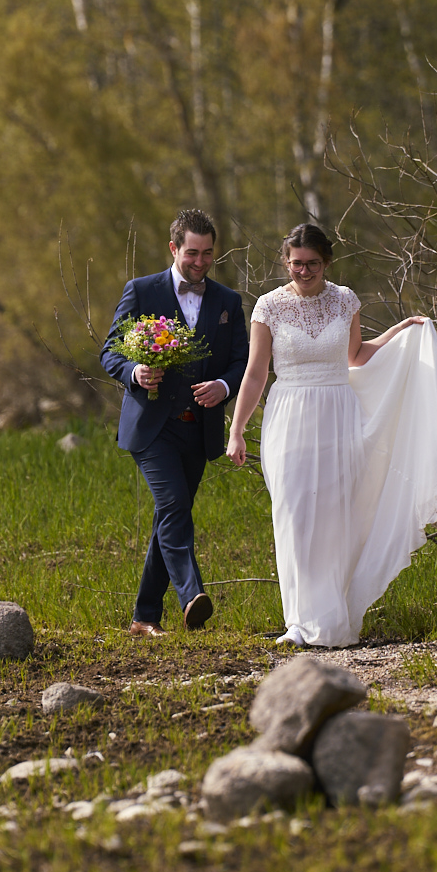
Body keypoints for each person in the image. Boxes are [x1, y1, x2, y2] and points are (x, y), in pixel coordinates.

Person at [226, 223, 437, 648]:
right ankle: (299, 622)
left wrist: (400, 332)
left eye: (312, 264)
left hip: (338, 413)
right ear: (286, 262)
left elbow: (356, 355)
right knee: (293, 514)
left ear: (327, 262)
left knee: (334, 518)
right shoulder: (268, 306)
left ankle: (330, 619)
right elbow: (255, 374)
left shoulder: (345, 299)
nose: (304, 271)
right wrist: (237, 431)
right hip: (289, 415)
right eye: (296, 264)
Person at [100, 209, 250, 637]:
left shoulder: (227, 301)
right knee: (174, 506)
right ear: (173, 248)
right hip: (152, 427)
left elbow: (242, 360)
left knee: (170, 516)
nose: (200, 262)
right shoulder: (141, 291)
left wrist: (224, 385)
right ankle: (192, 596)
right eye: (192, 253)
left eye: (208, 254)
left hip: (198, 428)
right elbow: (110, 350)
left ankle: (144, 617)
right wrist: (135, 371)